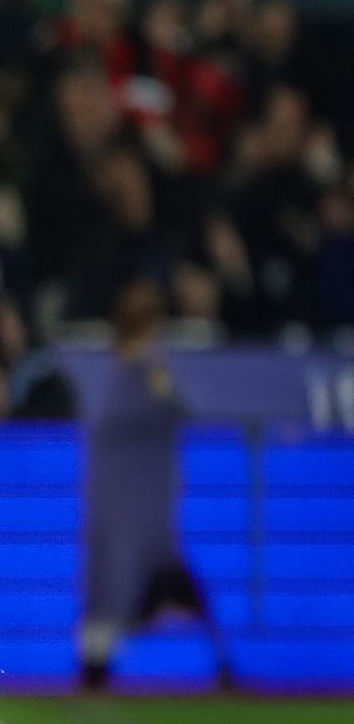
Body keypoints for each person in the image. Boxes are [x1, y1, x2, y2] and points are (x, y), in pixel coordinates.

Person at [78, 278, 215, 691]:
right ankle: (96, 674)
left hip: (133, 514)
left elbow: (179, 408)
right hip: (130, 515)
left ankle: (219, 666)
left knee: (132, 591)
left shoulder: (138, 375)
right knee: (117, 593)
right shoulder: (132, 375)